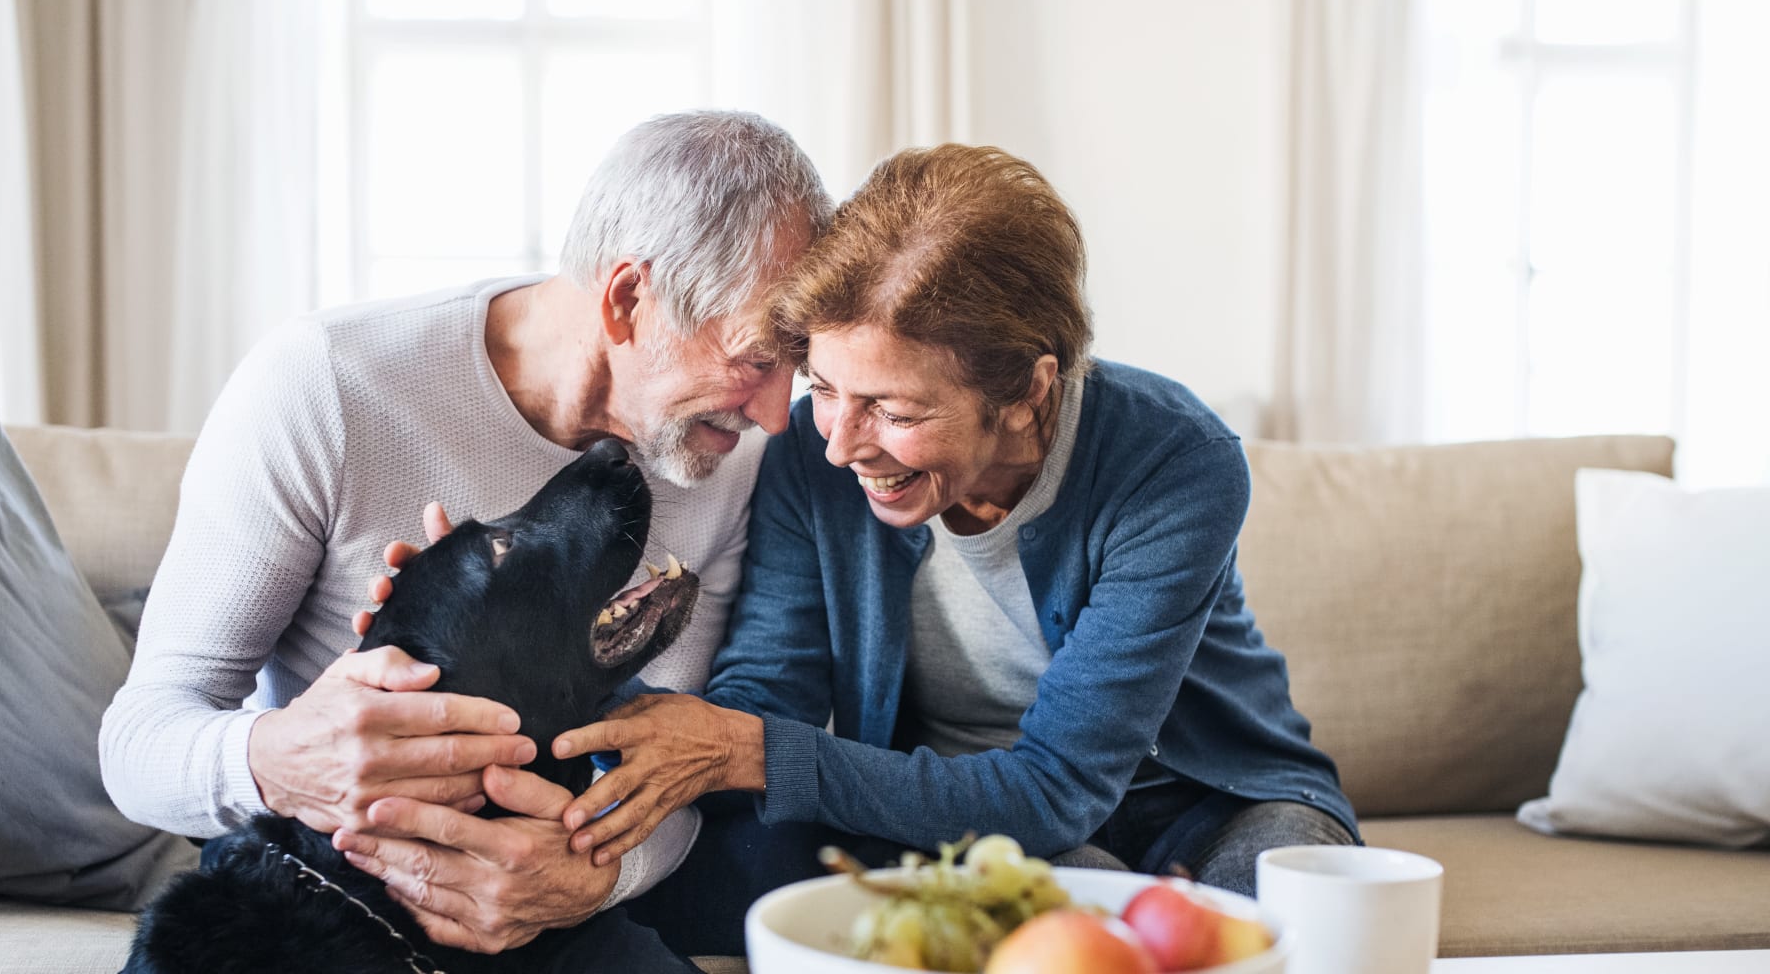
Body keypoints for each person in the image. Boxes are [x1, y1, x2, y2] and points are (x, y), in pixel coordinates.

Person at [546, 143, 1361, 955]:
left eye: (895, 411)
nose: (843, 446)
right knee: (1042, 930)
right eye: (826, 388)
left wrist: (748, 750)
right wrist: (562, 690)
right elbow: (766, 700)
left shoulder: (1174, 460)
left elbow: (1055, 788)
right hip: (970, 821)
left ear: (1027, 391)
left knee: (1274, 930)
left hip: (1222, 799)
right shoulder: (808, 454)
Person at [98, 110, 833, 970]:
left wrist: (595, 873)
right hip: (322, 895)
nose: (779, 415)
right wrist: (283, 757)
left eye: (798, 363)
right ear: (628, 298)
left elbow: (672, 767)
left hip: (557, 913)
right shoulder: (327, 384)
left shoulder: (725, 455)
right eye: (755, 360)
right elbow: (138, 745)